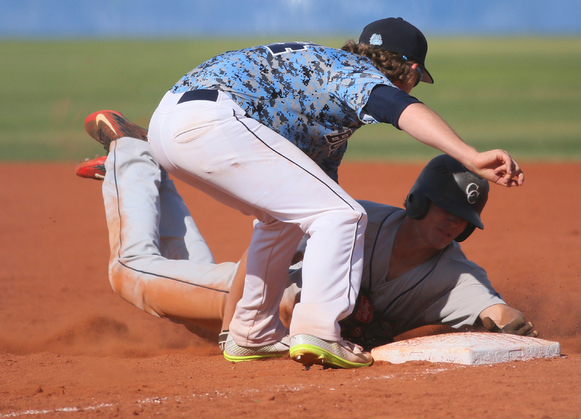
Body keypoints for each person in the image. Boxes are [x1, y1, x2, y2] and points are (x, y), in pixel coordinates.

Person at [85, 17, 525, 369]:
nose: (410, 87)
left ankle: (251, 332)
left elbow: (308, 206)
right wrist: (469, 154)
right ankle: (318, 330)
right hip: (213, 119)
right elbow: (398, 109)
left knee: (292, 215)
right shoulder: (353, 73)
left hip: (175, 120)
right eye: (415, 78)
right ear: (410, 70)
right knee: (344, 215)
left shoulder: (325, 86)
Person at [75, 132, 535, 367]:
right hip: (265, 299)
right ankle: (132, 151)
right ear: (419, 200)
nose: (454, 222)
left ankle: (149, 172)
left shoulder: (453, 276)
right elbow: (272, 236)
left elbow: (495, 310)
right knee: (129, 273)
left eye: (463, 219)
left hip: (260, 313)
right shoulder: (358, 216)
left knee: (184, 274)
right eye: (447, 209)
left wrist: (512, 325)